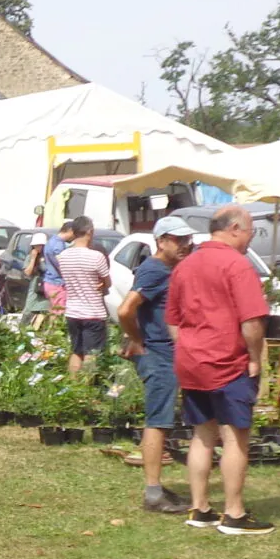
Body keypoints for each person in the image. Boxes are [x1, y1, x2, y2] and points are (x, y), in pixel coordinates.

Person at [166, 203, 274, 536]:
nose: (250, 240)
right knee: (234, 438)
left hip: (192, 361)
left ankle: (200, 508)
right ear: (235, 229)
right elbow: (251, 321)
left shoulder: (185, 265)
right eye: (251, 232)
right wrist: (255, 358)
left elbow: (172, 320)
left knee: (201, 434)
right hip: (227, 361)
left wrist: (188, 346)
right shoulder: (237, 265)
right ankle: (234, 513)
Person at [117, 218, 193, 513]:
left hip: (164, 353)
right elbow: (126, 309)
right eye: (178, 239)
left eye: (187, 239)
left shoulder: (165, 269)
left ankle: (157, 488)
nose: (185, 244)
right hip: (158, 355)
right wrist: (137, 339)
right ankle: (152, 493)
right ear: (161, 241)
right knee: (158, 422)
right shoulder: (154, 270)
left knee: (162, 420)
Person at [53, 218, 115, 373]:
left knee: (76, 351)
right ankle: (87, 390)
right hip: (93, 312)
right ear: (90, 232)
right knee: (91, 354)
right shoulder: (97, 257)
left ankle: (74, 388)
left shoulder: (63, 256)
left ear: (73, 232)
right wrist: (100, 283)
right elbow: (107, 283)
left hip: (72, 311)